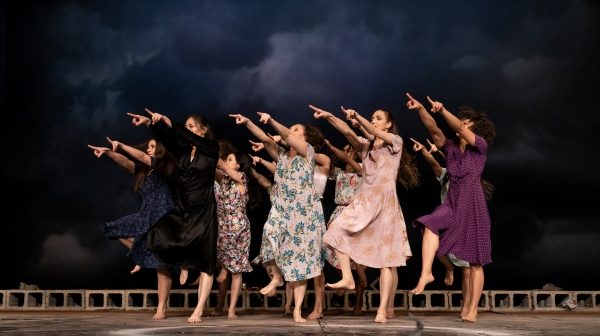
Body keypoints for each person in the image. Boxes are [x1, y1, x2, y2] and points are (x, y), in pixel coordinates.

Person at [311, 104, 419, 323]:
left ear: (388, 123)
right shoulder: (365, 146)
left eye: (378, 118)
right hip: (363, 202)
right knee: (333, 232)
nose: (375, 120)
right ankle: (348, 278)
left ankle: (382, 310)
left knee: (386, 262)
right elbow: (347, 131)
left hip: (386, 204)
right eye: (373, 117)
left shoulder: (395, 143)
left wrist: (359, 118)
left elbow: (376, 132)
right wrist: (330, 116)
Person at [406, 93, 496, 323]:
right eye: (462, 121)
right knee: (429, 223)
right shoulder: (451, 149)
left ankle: (472, 309)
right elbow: (434, 130)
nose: (462, 125)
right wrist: (421, 110)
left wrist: (443, 110)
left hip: (474, 205)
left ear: (476, 129)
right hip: (453, 202)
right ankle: (426, 272)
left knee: (476, 263)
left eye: (467, 123)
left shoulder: (480, 148)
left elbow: (457, 126)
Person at [229, 112, 325, 323]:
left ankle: (298, 310)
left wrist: (272, 121)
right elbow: (265, 138)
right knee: (269, 233)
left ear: (306, 138)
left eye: (297, 130)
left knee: (300, 264)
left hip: (303, 214)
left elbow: (287, 136)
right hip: (282, 208)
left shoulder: (307, 152)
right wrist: (248, 123)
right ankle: (277, 277)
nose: (292, 132)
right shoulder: (282, 155)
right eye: (292, 129)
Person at [127, 109, 219, 323]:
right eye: (186, 126)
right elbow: (168, 141)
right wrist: (150, 124)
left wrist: (169, 121)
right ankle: (182, 264)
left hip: (204, 209)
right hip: (184, 207)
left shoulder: (211, 148)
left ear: (204, 130)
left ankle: (197, 310)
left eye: (192, 126)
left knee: (207, 260)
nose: (188, 130)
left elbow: (183, 135)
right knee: (158, 232)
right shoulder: (184, 152)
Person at [87, 137, 176, 320]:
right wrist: (108, 152)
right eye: (148, 146)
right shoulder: (144, 172)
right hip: (146, 215)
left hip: (163, 217)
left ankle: (161, 308)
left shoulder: (165, 167)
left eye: (153, 146)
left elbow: (143, 157)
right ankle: (140, 253)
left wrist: (120, 145)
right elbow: (127, 162)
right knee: (114, 229)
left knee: (161, 265)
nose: (149, 149)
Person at [214, 150, 258, 319]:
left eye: (230, 159)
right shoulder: (223, 180)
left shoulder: (241, 178)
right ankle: (224, 266)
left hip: (238, 226)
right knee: (221, 251)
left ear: (238, 165)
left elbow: (221, 165)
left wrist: (209, 151)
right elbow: (214, 168)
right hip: (223, 225)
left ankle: (231, 309)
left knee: (237, 271)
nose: (227, 161)